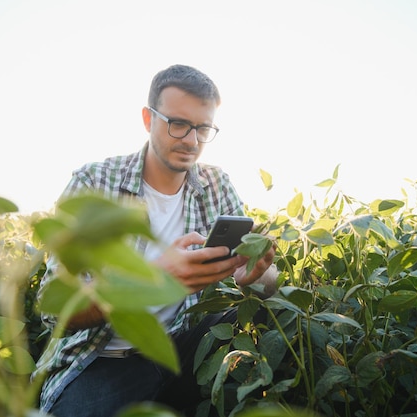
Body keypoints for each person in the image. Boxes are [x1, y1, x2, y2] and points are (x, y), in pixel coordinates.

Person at [32, 64, 278, 417]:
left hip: (183, 346)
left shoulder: (216, 184)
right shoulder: (95, 182)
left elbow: (267, 283)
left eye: (203, 128)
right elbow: (55, 310)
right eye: (178, 124)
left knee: (273, 312)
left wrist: (256, 275)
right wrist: (150, 280)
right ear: (148, 119)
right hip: (106, 360)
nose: (192, 140)